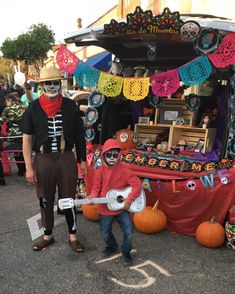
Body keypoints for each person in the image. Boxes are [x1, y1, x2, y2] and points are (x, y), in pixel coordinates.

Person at [20, 65, 88, 252]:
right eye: (48, 83)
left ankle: (73, 236)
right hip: (43, 159)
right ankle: (48, 235)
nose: (52, 86)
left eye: (55, 82)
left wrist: (82, 161)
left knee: (68, 198)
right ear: (42, 85)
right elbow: (26, 138)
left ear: (60, 84)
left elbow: (79, 135)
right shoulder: (33, 108)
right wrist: (28, 167)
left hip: (66, 157)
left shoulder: (69, 105)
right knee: (45, 199)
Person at [88, 139, 142, 264]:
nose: (112, 158)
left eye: (115, 155)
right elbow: (96, 187)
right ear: (104, 155)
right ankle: (112, 246)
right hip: (105, 208)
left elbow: (137, 185)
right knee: (105, 233)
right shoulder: (100, 171)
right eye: (109, 155)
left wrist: (130, 199)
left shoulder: (125, 169)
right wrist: (93, 196)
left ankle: (126, 252)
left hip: (123, 207)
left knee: (129, 231)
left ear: (119, 155)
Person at [0, 93, 26, 176]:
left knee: (17, 152)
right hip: (26, 133)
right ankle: (26, 168)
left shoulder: (7, 109)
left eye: (6, 102)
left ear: (10, 100)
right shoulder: (24, 107)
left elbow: (0, 121)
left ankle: (21, 170)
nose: (6, 103)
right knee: (25, 150)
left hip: (14, 134)